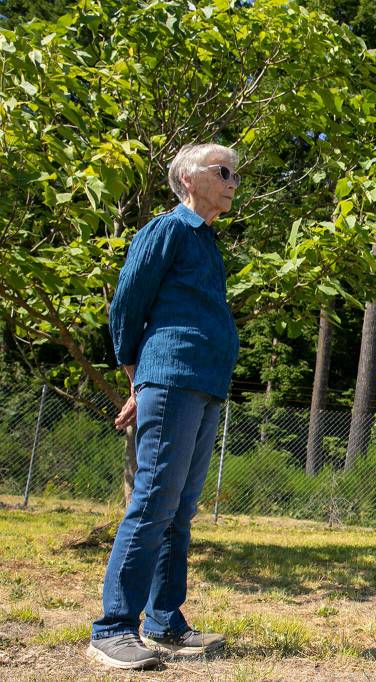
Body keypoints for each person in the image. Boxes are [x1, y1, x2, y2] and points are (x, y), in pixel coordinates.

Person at [87, 143, 241, 670]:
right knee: (154, 499)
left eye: (235, 175)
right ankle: (112, 628)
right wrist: (137, 379)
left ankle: (163, 620)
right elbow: (127, 304)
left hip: (204, 385)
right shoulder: (167, 230)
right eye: (223, 172)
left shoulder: (208, 243)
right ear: (187, 178)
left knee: (179, 508)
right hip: (171, 378)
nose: (232, 182)